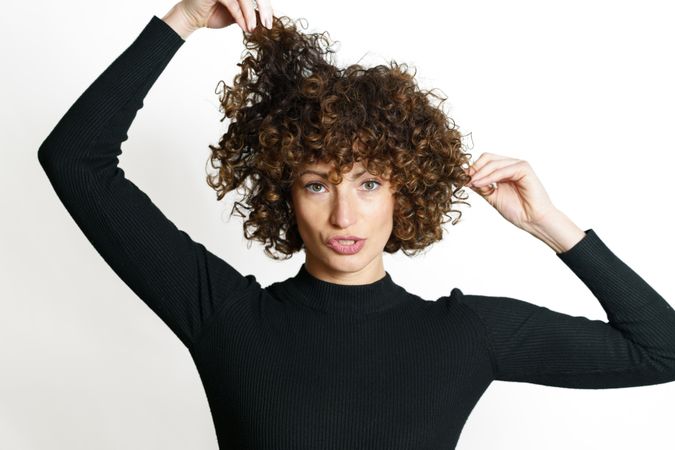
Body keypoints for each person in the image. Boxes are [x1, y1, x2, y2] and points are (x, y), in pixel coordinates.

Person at [37, 0, 675, 448]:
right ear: (284, 194)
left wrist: (550, 224)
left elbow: (662, 350)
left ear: (404, 190)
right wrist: (182, 19)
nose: (344, 215)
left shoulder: (466, 334)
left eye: (368, 183)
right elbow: (74, 161)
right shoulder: (224, 317)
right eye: (318, 184)